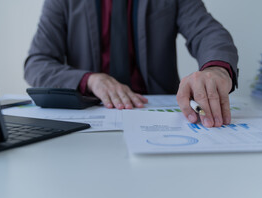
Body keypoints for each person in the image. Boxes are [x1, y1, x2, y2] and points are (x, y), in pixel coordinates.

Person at [24, 0, 238, 128]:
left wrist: (217, 69)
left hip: (158, 115)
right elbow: (37, 62)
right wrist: (89, 80)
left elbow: (208, 32)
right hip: (89, 118)